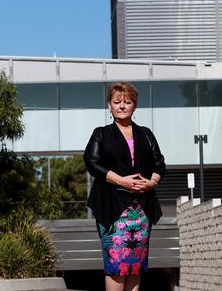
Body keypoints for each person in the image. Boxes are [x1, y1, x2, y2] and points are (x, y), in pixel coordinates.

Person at [84, 82, 166, 291]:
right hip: (112, 208)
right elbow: (91, 162)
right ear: (109, 106)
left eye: (127, 102)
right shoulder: (101, 133)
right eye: (117, 102)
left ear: (134, 106)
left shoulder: (146, 134)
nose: (122, 106)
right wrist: (122, 181)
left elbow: (160, 164)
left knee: (135, 266)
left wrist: (152, 182)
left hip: (141, 211)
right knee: (116, 266)